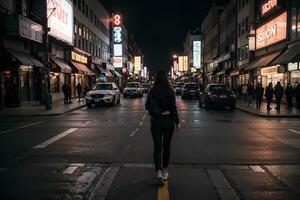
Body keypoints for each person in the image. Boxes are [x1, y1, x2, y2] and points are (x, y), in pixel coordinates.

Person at [145, 70, 180, 185]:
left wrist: (157, 112)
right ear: (166, 79)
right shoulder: (170, 91)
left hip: (156, 121)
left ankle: (158, 171)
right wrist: (177, 121)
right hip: (168, 120)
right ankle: (165, 171)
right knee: (167, 146)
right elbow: (173, 107)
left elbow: (147, 106)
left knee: (157, 147)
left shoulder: (152, 91)